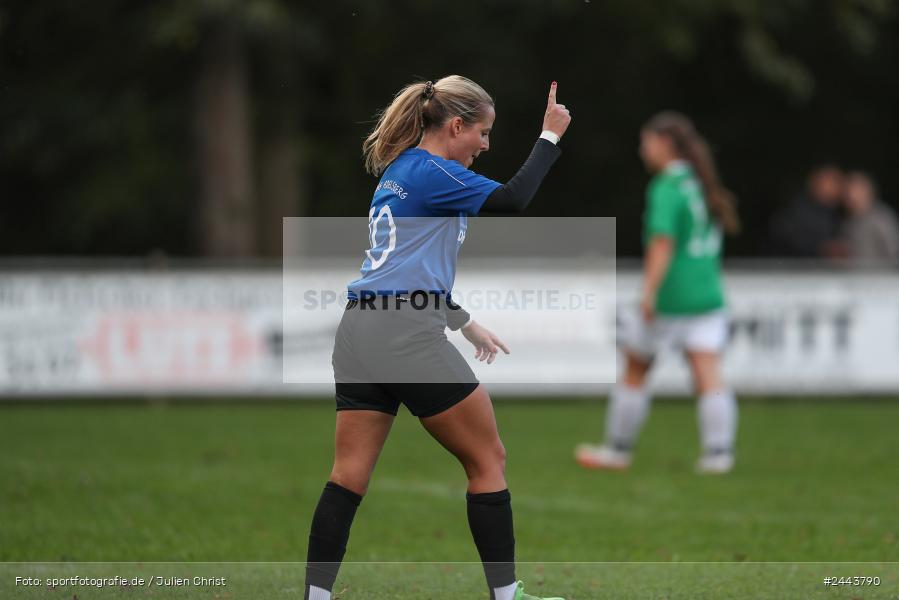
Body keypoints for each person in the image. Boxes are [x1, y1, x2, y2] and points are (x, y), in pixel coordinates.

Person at [303, 75, 571, 600]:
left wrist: (462, 320)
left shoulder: (403, 169)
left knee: (348, 475)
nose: (486, 146)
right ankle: (508, 597)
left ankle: (316, 597)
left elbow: (401, 269)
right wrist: (550, 137)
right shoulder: (436, 172)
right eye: (484, 133)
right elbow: (513, 202)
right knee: (487, 458)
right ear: (456, 125)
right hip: (403, 335)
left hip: (360, 328)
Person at [575, 111, 740, 475]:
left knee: (635, 368)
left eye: (646, 141)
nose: (642, 149)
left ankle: (618, 450)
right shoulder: (700, 182)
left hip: (672, 296)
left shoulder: (666, 186)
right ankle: (719, 454)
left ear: (665, 144)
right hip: (709, 294)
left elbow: (662, 244)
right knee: (708, 373)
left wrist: (648, 293)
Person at [768, 165, 844, 258]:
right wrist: (821, 249)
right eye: (831, 181)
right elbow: (784, 237)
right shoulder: (796, 209)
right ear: (815, 182)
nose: (836, 187)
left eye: (839, 182)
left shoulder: (841, 213)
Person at [839, 171, 899, 265]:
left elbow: (893, 250)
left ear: (867, 191)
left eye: (854, 190)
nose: (849, 195)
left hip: (880, 276)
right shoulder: (848, 220)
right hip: (854, 276)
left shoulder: (882, 218)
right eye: (846, 191)